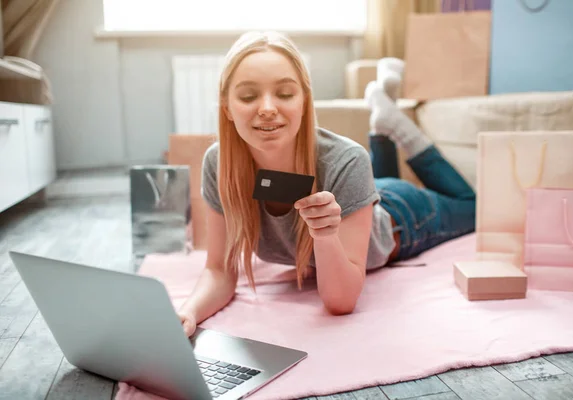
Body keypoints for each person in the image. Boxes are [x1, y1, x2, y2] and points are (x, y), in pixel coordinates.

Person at [177, 31, 476, 337]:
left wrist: (326, 235)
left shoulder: (347, 160)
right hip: (360, 193)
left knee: (472, 205)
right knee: (366, 179)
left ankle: (398, 128)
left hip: (403, 219)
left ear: (304, 101)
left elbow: (341, 302)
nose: (267, 107)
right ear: (226, 106)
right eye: (248, 96)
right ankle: (381, 124)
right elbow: (219, 271)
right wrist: (188, 312)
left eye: (284, 93)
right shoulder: (219, 164)